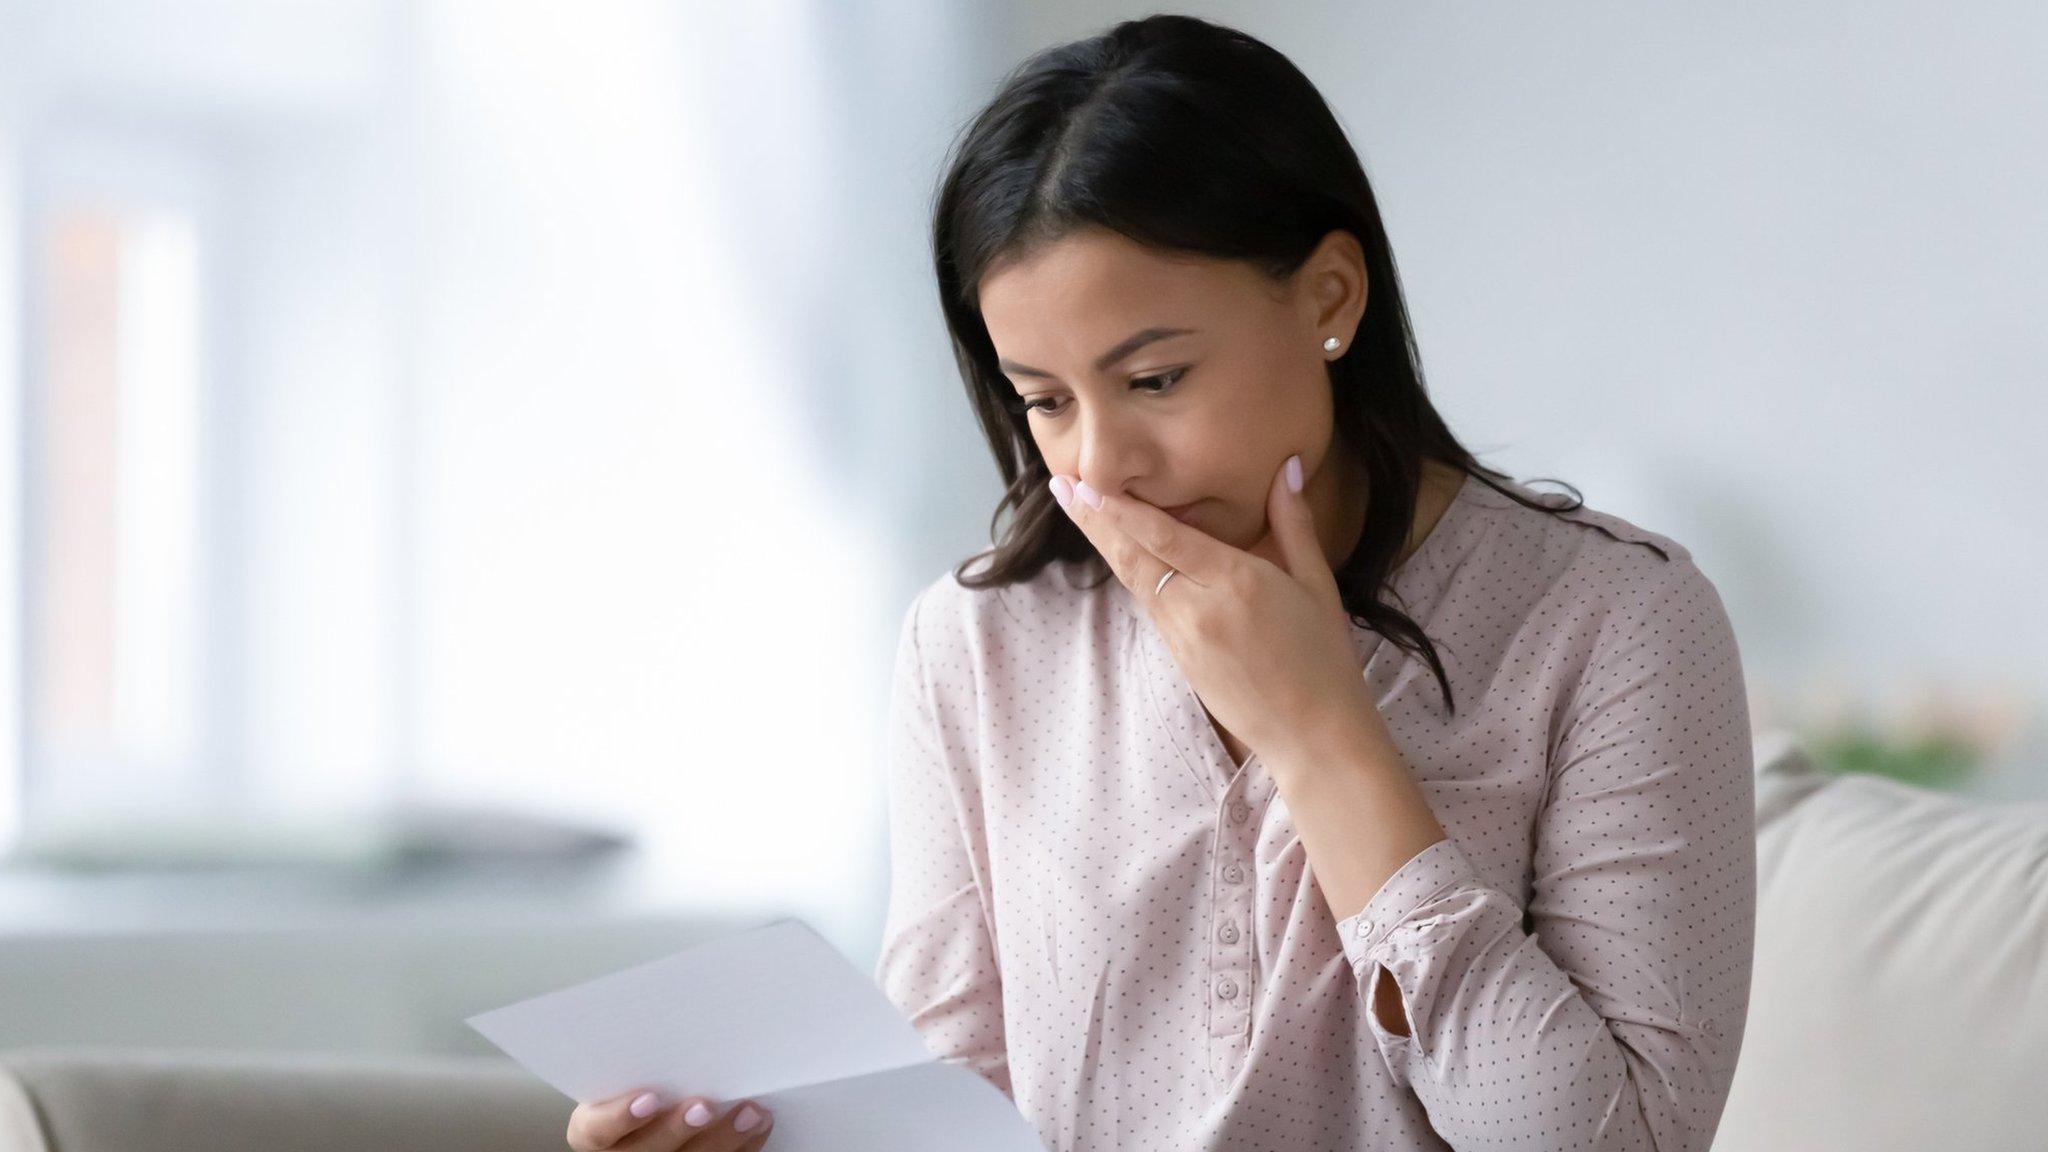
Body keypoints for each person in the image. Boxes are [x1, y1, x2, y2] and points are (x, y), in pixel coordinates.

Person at [873, 12, 1756, 1152]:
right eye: (1044, 400)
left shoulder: (1613, 622)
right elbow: (943, 1115)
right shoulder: (976, 645)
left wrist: (1320, 735)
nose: (1097, 464)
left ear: (1330, 298)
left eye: (1152, 378)